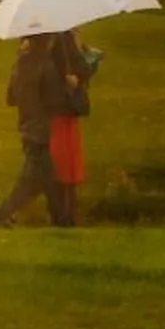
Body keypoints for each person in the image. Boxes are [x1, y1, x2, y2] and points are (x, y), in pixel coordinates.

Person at [0, 32, 79, 228]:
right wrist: (70, 86)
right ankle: (0, 216)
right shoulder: (47, 66)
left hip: (26, 126)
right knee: (30, 181)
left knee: (49, 178)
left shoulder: (19, 65)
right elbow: (57, 101)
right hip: (42, 130)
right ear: (46, 41)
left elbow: (10, 99)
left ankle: (61, 222)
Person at [47, 30, 99, 226]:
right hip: (65, 111)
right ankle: (67, 216)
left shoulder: (43, 36)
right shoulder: (65, 38)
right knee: (68, 167)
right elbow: (84, 69)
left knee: (55, 164)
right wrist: (82, 49)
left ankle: (57, 213)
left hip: (49, 110)